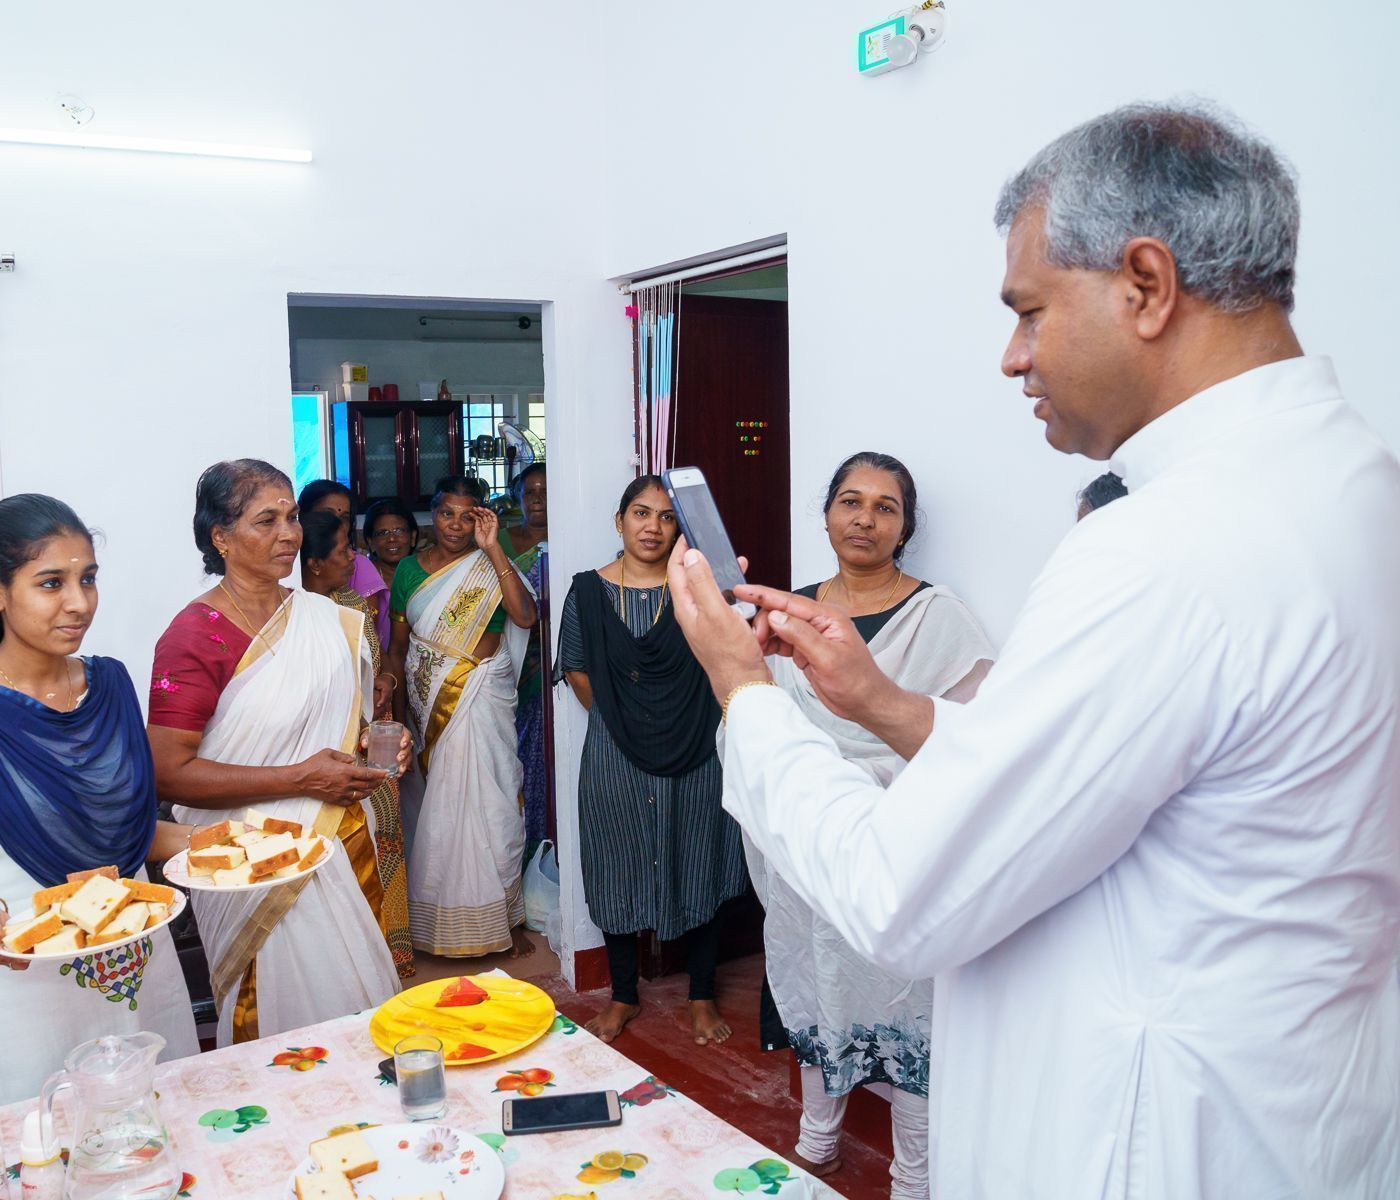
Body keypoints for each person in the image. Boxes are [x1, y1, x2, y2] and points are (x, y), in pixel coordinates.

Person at [668, 102, 1400, 1198]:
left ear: (1145, 286)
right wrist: (883, 704)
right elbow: (1105, 772)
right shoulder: (1351, 483)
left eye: (1030, 311)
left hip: (1151, 1143)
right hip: (1297, 1109)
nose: (1012, 357)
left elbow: (897, 894)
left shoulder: (1166, 544)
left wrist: (742, 688)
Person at [0, 494, 201, 1114]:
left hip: (138, 966)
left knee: (161, 1135)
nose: (79, 603)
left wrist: (215, 845)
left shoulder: (111, 687)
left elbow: (120, 836)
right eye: (52, 583)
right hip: (21, 977)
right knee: (44, 1157)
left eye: (88, 579)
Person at [760, 452, 994, 1197]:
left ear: (905, 526)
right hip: (804, 846)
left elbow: (969, 740)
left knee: (907, 997)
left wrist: (865, 776)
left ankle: (915, 1174)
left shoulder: (937, 616)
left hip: (897, 844)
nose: (864, 518)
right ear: (826, 513)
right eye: (850, 501)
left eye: (885, 507)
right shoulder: (787, 616)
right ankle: (817, 1136)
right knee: (811, 975)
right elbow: (761, 727)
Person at [147, 459, 407, 1045]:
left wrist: (376, 742)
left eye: (292, 518)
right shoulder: (195, 636)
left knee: (361, 1018)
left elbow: (347, 728)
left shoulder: (322, 618)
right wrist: (301, 779)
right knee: (286, 1034)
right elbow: (166, 773)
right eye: (266, 521)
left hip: (343, 840)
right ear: (221, 537)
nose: (289, 534)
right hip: (252, 859)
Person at [556, 475, 747, 1046]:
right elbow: (576, 665)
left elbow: (729, 656)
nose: (653, 526)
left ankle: (702, 995)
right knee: (616, 857)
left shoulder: (698, 590)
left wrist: (671, 721)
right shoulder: (586, 591)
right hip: (614, 751)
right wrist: (626, 722)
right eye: (641, 513)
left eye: (667, 517)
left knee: (700, 854)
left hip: (696, 744)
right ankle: (622, 995)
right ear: (620, 521)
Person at [389, 475, 538, 957]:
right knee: (438, 811)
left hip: (481, 692)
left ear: (482, 517)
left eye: (467, 514)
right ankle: (441, 925)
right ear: (432, 515)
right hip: (425, 697)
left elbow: (526, 618)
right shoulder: (409, 570)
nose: (455, 524)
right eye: (446, 513)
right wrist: (395, 713)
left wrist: (493, 550)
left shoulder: (492, 564)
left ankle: (502, 920)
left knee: (491, 807)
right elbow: (397, 647)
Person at [299, 509, 414, 976]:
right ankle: (345, 970)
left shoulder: (353, 602)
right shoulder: (292, 617)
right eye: (345, 549)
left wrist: (385, 677)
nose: (355, 556)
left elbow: (379, 661)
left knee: (385, 844)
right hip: (321, 756)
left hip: (372, 742)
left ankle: (391, 959)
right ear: (313, 564)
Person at [500, 463, 551, 847]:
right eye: (529, 491)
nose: (536, 499)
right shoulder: (496, 541)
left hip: (545, 663)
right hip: (502, 661)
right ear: (517, 495)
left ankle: (540, 842)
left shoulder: (568, 537)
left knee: (539, 759)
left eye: (545, 491)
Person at [299, 479, 392, 649]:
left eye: (345, 517)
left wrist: (386, 675)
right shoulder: (288, 571)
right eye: (327, 514)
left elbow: (367, 644)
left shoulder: (358, 569)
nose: (338, 523)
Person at [361, 497, 419, 654]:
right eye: (382, 533)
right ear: (371, 542)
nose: (392, 539)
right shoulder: (360, 578)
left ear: (413, 537)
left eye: (399, 531)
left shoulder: (427, 576)